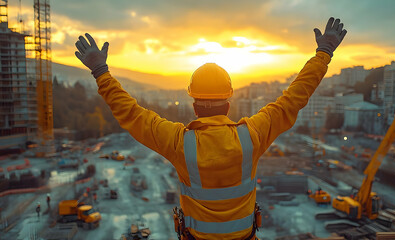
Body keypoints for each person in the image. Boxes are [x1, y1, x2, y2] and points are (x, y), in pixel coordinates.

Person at [75, 17, 347, 240]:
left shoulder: (180, 143)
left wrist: (100, 70)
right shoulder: (252, 136)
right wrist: (324, 53)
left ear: (194, 106)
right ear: (229, 103)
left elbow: (132, 114)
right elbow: (293, 98)